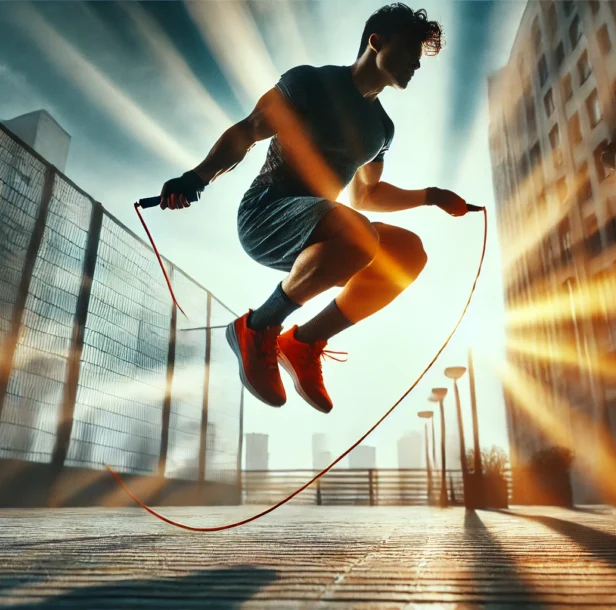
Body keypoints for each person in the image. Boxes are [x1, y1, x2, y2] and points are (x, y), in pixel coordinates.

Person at [157, 3, 468, 414]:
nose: (416, 63)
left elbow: (366, 196)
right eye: (410, 49)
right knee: (359, 234)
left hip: (325, 230)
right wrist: (196, 178)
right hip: (266, 215)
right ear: (376, 42)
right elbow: (250, 130)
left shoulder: (382, 129)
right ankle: (257, 327)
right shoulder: (309, 82)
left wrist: (431, 195)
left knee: (408, 252)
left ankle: (303, 344)